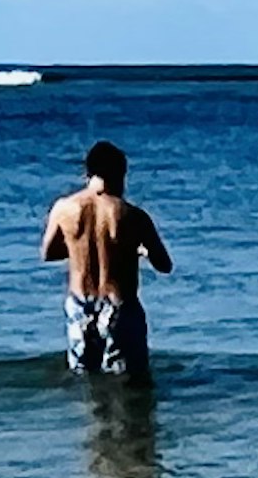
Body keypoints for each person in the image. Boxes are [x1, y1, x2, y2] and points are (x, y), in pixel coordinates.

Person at [42, 136, 173, 376]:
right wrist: (139, 251)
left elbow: (48, 253)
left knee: (85, 379)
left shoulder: (63, 208)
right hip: (119, 305)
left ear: (87, 173)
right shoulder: (132, 215)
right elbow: (164, 265)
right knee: (129, 380)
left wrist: (77, 246)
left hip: (80, 304)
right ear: (119, 172)